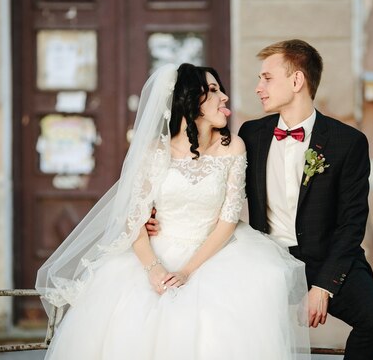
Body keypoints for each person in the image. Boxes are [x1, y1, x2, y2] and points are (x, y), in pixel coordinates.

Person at [36, 63, 310, 360]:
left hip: (216, 253)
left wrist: (186, 271)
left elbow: (228, 219)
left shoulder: (233, 148)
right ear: (190, 99)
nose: (225, 97)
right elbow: (134, 220)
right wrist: (155, 270)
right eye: (214, 90)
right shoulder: (155, 152)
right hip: (155, 253)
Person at [237, 39, 373, 360]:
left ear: (297, 81)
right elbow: (217, 189)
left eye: (267, 78)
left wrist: (324, 286)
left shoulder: (347, 142)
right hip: (267, 261)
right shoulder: (250, 135)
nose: (258, 87)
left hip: (327, 257)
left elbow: (352, 223)